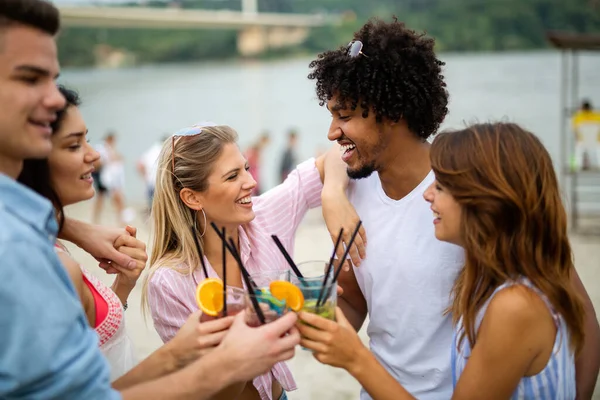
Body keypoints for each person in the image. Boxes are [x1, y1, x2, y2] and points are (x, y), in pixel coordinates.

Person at [0, 1, 302, 398]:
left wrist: (69, 227)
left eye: (52, 80)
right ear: (191, 196)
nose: (55, 100)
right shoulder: (18, 252)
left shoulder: (34, 231)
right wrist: (222, 366)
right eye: (29, 78)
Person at [304, 17, 600, 400]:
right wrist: (320, 327)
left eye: (343, 116)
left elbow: (579, 316)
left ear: (391, 112)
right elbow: (355, 297)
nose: (331, 131)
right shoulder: (353, 191)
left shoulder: (470, 190)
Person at [299, 122, 587, 399]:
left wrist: (356, 358)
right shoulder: (488, 277)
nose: (426, 194)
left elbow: (586, 330)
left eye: (443, 186)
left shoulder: (516, 305)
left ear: (487, 202)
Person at [143, 123, 361, 400]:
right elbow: (209, 391)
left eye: (246, 168)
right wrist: (252, 338)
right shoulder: (169, 282)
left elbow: (337, 155)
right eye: (233, 176)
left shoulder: (265, 215)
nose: (251, 182)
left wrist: (332, 194)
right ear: (192, 197)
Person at [17, 85, 146, 380]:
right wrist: (185, 357)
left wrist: (123, 287)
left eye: (87, 140)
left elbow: (97, 344)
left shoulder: (49, 238)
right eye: (74, 145)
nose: (95, 156)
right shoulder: (48, 266)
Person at [137, 135, 165, 212]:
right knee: (160, 206)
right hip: (160, 182)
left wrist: (144, 176)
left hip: (150, 181)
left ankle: (149, 216)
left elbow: (139, 164)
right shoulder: (165, 149)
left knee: (152, 205)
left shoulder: (152, 150)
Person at [571, 99, 600, 171]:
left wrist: (577, 138)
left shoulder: (578, 116)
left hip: (585, 140)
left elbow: (575, 131)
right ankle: (579, 165)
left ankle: (578, 166)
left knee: (579, 152)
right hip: (595, 140)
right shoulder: (597, 116)